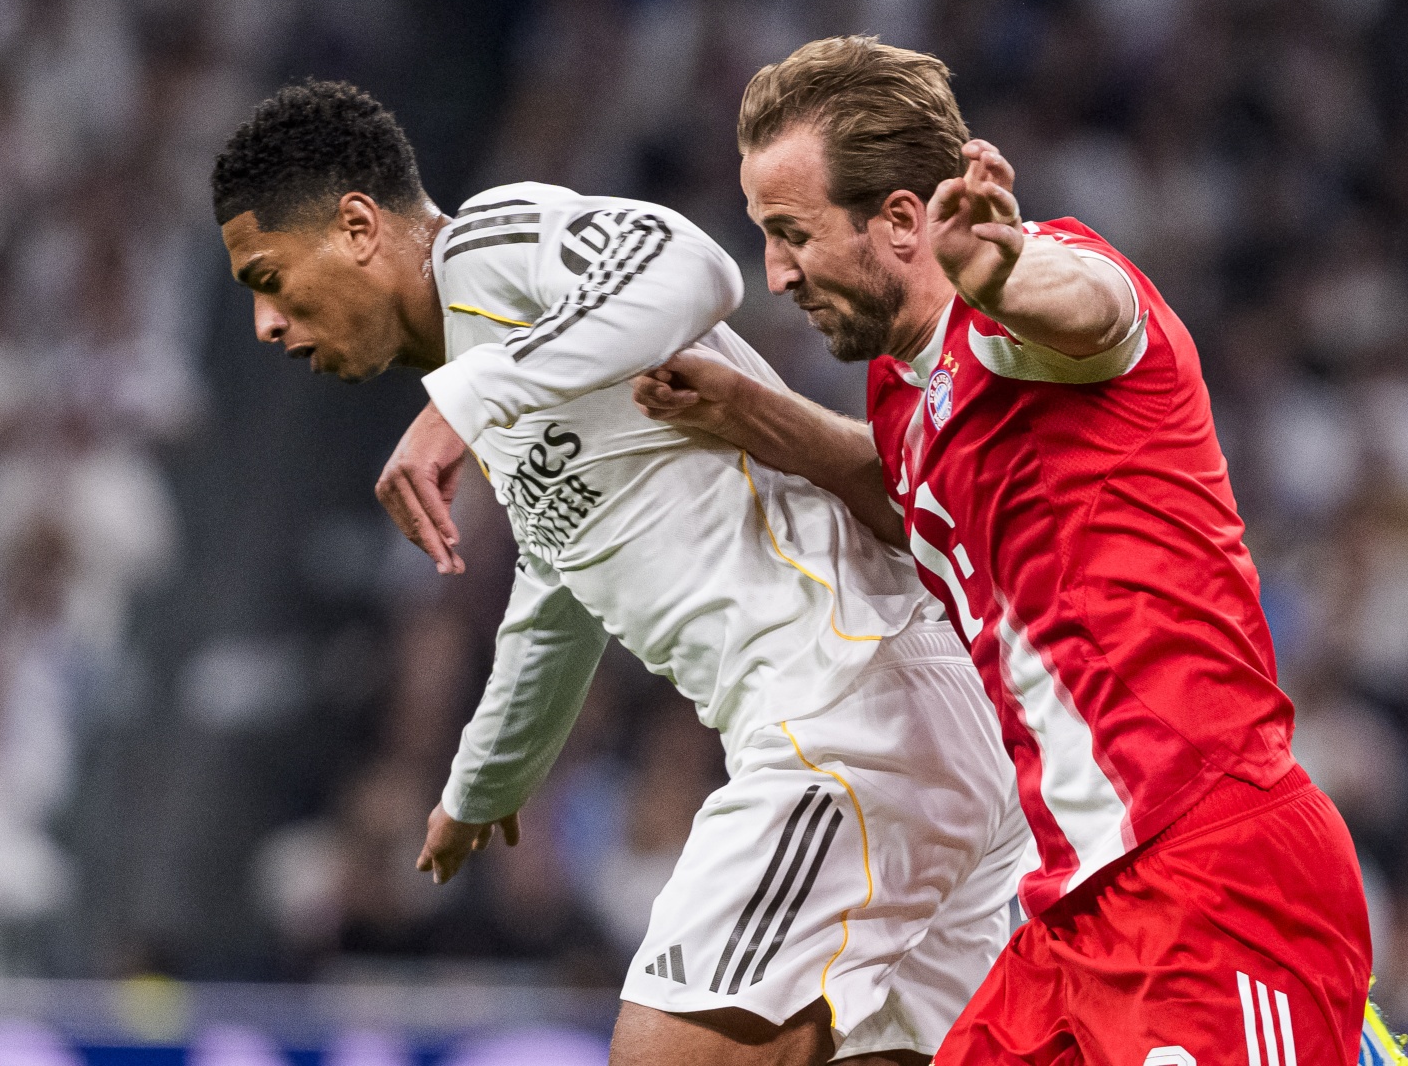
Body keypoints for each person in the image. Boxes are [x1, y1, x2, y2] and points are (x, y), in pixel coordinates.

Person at [629, 37, 1408, 1066]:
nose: (775, 272)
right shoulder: (904, 391)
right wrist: (748, 412)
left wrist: (1000, 273)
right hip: (1075, 915)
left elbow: (1087, 313)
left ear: (905, 221)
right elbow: (909, 491)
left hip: (1215, 872)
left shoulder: (1040, 296)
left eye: (793, 234)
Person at [212, 79, 1029, 1066]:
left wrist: (462, 403)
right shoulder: (531, 384)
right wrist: (481, 787)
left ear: (355, 227)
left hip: (848, 717)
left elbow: (693, 269)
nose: (265, 323)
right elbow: (559, 606)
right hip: (908, 738)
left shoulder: (492, 245)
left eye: (268, 276)